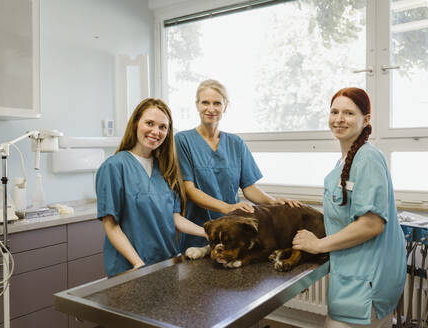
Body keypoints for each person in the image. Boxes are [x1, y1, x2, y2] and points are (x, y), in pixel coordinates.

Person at [292, 87, 406, 327]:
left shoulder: (368, 158)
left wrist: (317, 244)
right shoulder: (346, 160)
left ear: (366, 120)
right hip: (354, 276)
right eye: (334, 112)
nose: (339, 119)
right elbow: (343, 215)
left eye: (349, 113)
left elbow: (371, 224)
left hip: (366, 281)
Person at [175, 79, 301, 252]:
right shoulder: (183, 141)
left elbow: (249, 188)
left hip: (232, 232)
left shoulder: (236, 143)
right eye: (205, 102)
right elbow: (189, 190)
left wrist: (274, 202)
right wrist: (227, 208)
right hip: (198, 232)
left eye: (217, 103)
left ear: (225, 106)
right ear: (197, 105)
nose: (211, 108)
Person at [96, 98, 207, 277]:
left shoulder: (166, 169)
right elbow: (111, 225)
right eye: (149, 123)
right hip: (131, 267)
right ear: (135, 123)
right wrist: (138, 264)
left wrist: (208, 233)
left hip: (167, 262)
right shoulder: (114, 167)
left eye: (163, 127)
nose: (156, 131)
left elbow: (174, 218)